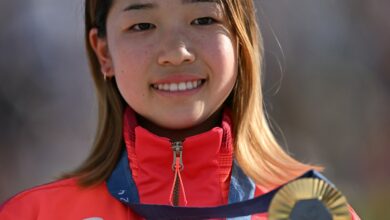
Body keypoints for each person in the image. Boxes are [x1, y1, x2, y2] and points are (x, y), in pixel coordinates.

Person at [0, 0, 360, 219]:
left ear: (240, 37)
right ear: (103, 52)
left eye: (203, 20)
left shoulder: (311, 209)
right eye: (142, 25)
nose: (176, 52)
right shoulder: (35, 215)